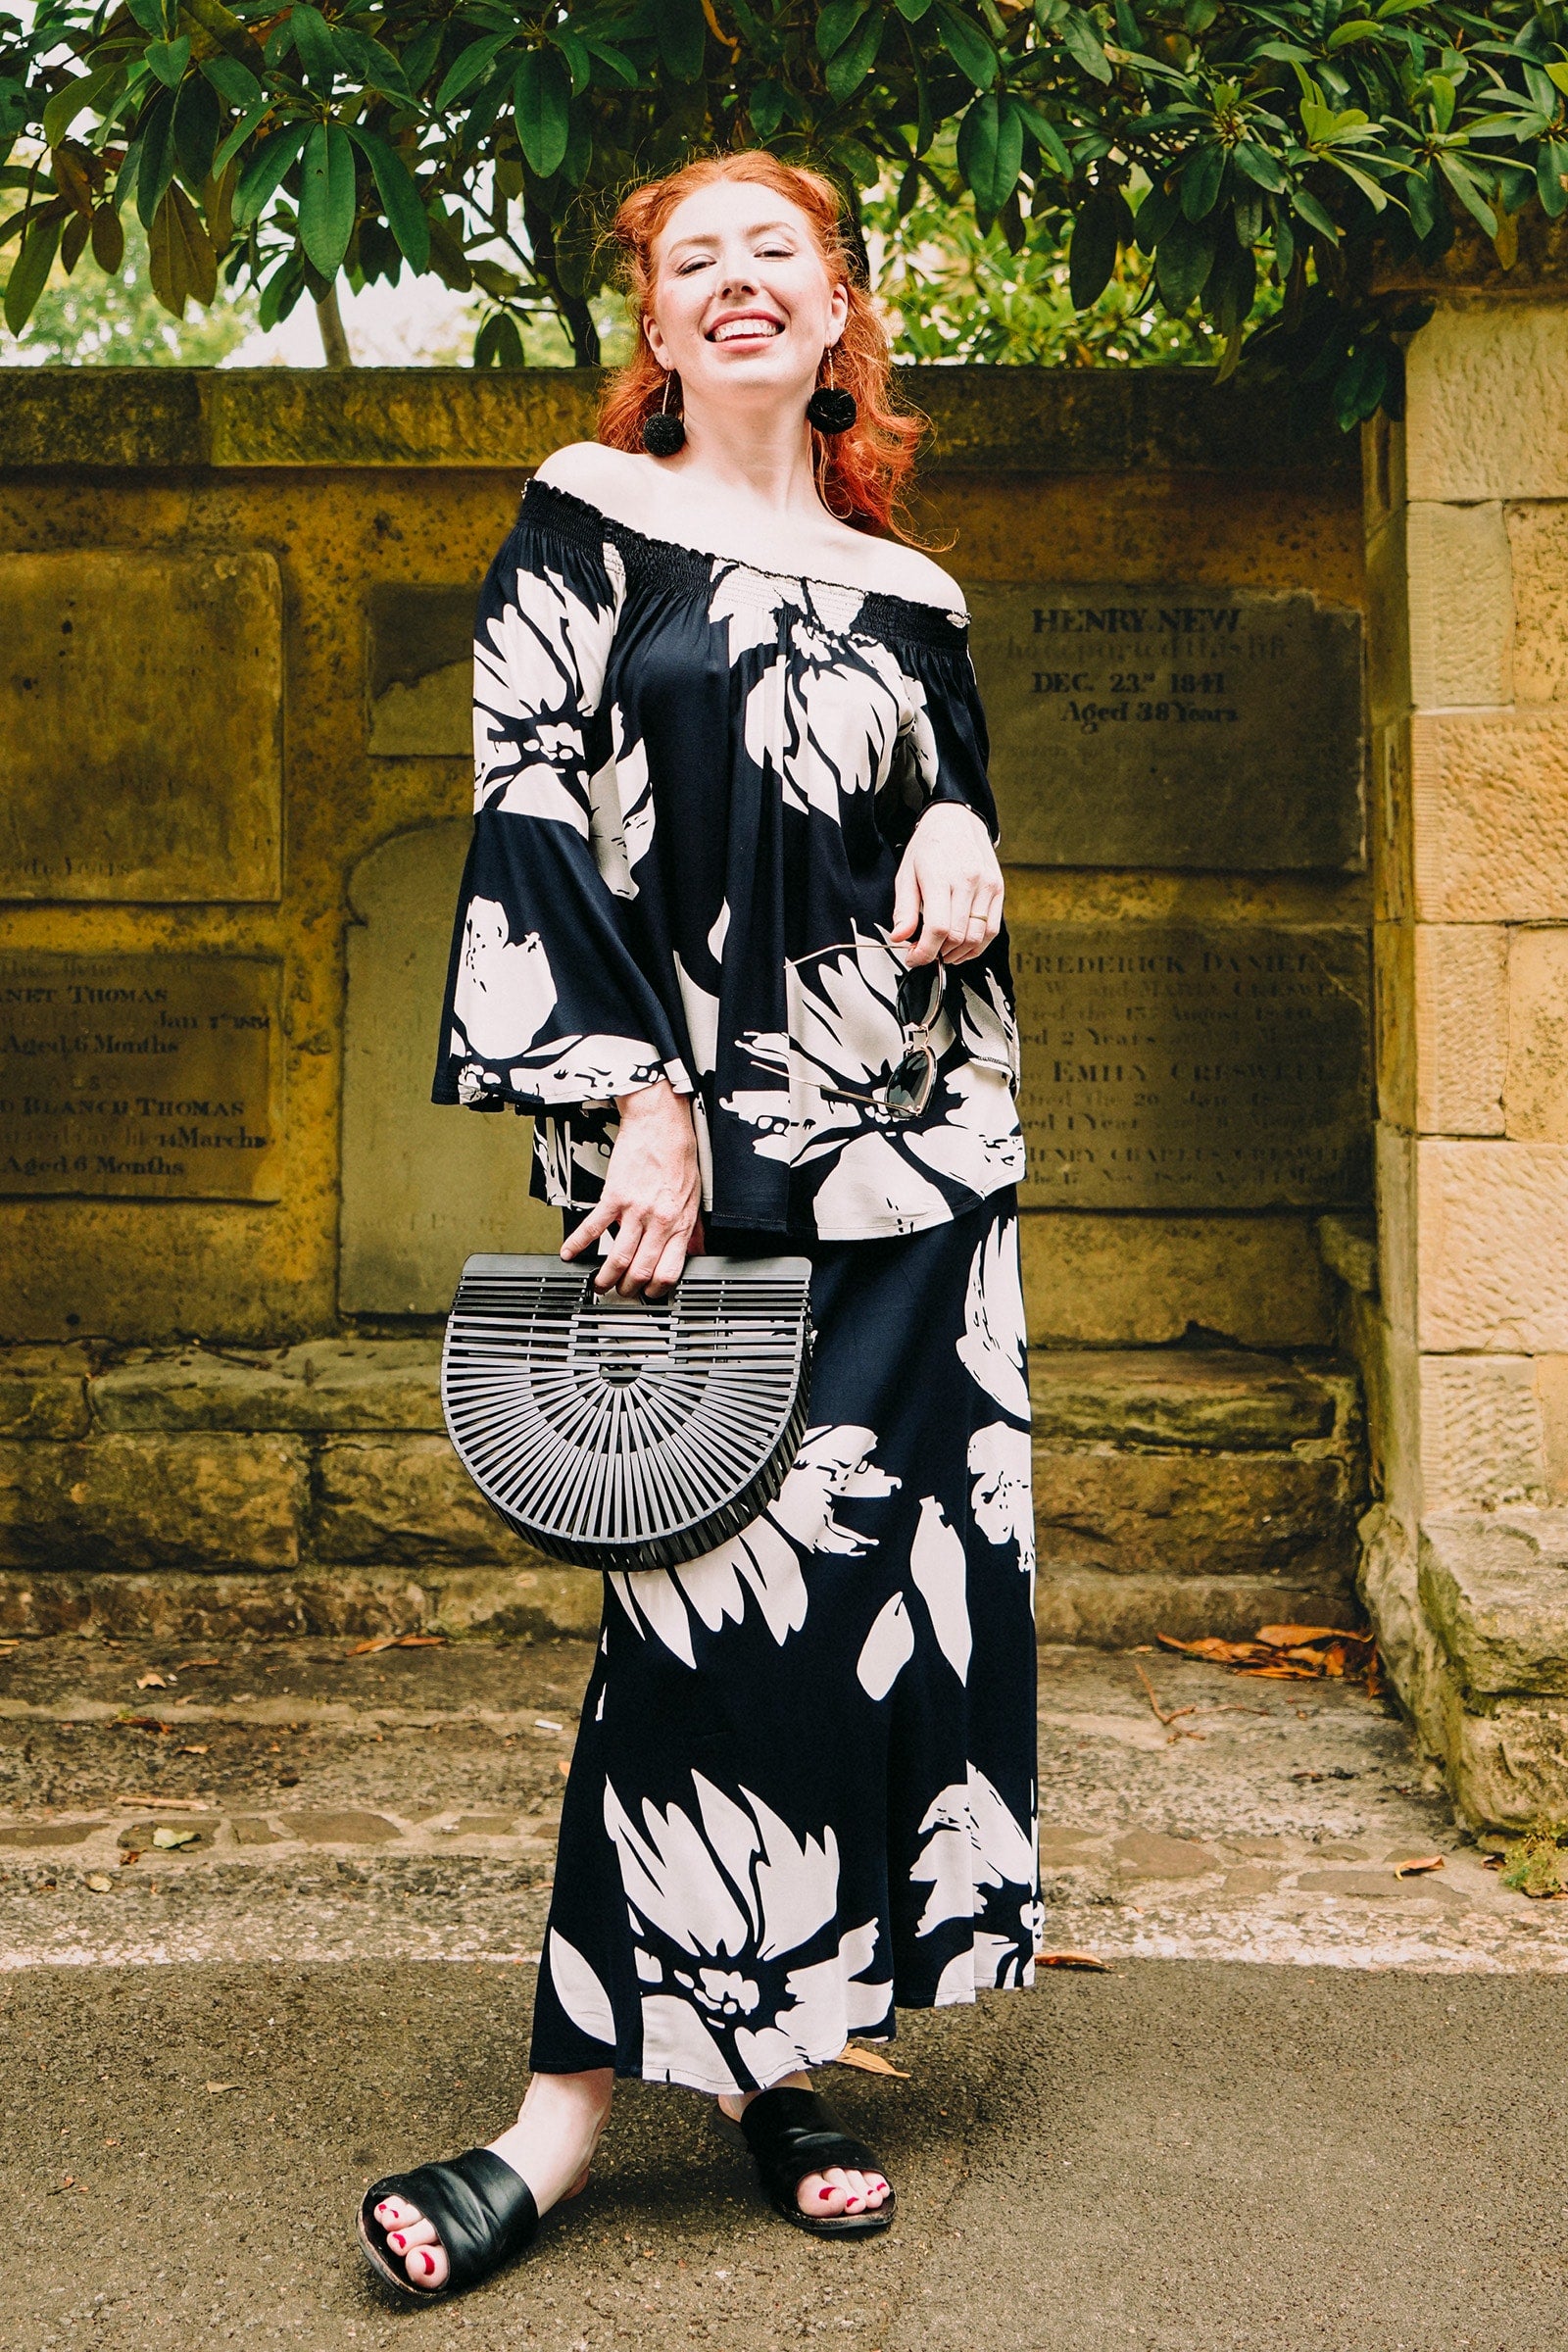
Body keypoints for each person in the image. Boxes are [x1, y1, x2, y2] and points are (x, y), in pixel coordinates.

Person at [357, 148, 1039, 2305]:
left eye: (778, 255)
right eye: (692, 260)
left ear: (838, 318)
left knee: (859, 1616)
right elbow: (528, 807)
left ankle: (782, 2061)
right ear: (654, 327)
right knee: (694, 1619)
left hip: (912, 1173)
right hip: (689, 1161)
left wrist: (956, 827)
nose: (737, 282)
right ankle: (558, 2121)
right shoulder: (586, 514)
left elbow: (940, 820)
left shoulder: (913, 590)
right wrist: (634, 1101)